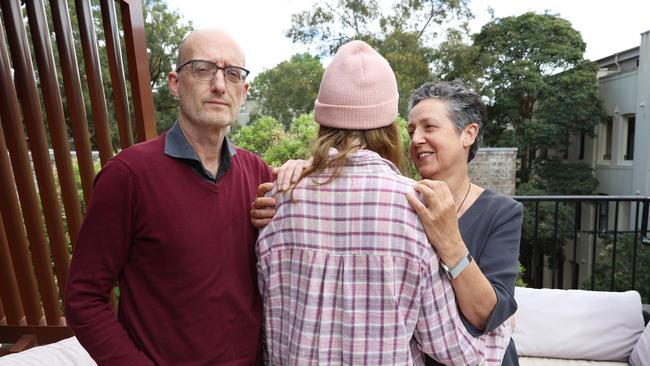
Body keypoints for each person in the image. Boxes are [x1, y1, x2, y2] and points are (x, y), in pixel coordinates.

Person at [255, 40, 511, 365]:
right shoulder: (413, 208)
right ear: (389, 126)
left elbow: (261, 319)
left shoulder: (279, 198)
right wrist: (500, 333)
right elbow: (453, 348)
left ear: (323, 120)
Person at [65, 28, 274, 365]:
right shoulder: (128, 176)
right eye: (204, 69)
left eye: (232, 74)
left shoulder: (259, 175)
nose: (219, 84)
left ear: (244, 91)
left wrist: (299, 172)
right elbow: (83, 297)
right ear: (175, 83)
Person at [405, 80, 522, 366]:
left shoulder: (502, 212)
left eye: (429, 127)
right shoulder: (402, 201)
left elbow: (486, 313)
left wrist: (449, 239)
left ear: (468, 134)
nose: (416, 139)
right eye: (411, 131)